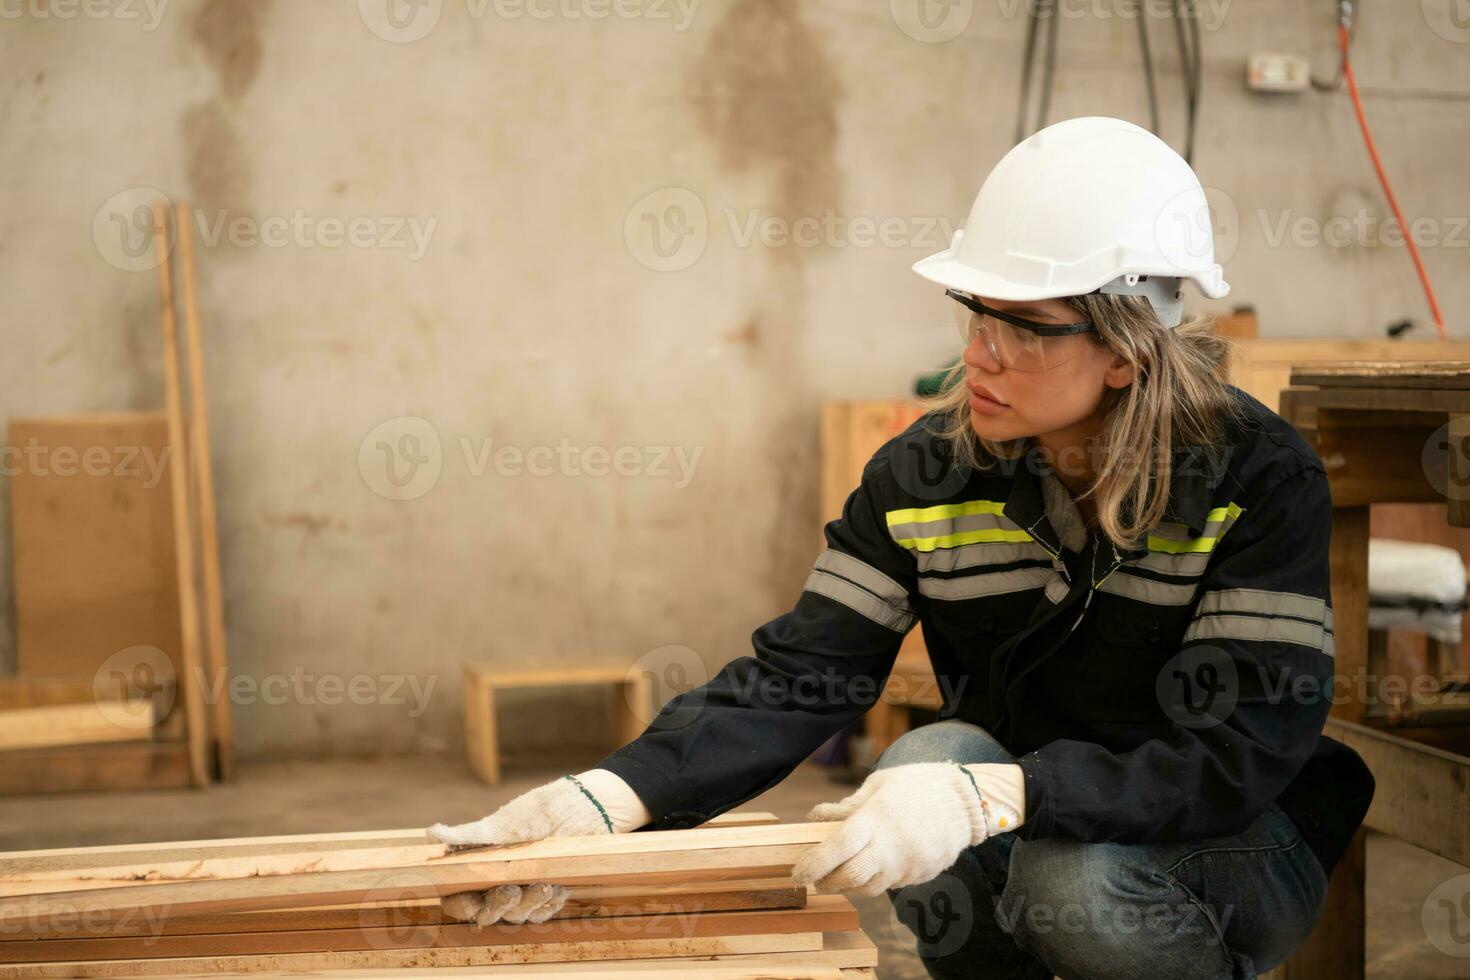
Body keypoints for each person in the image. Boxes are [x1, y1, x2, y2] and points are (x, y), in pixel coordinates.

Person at [429, 116, 1375, 979]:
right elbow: (801, 676)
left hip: (1237, 837)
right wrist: (608, 802)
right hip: (1046, 810)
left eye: (1025, 329)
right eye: (975, 313)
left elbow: (1236, 756)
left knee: (1067, 880)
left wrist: (998, 797)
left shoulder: (1256, 478)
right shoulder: (927, 474)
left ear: (1130, 352)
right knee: (924, 762)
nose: (980, 355)